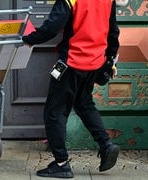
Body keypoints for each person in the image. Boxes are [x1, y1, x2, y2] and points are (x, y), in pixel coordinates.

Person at [22, 0, 120, 178]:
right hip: (95, 63)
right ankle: (106, 144)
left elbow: (52, 27)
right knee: (84, 103)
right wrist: (111, 58)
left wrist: (29, 39)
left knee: (54, 111)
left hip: (69, 63)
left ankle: (61, 164)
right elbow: (113, 31)